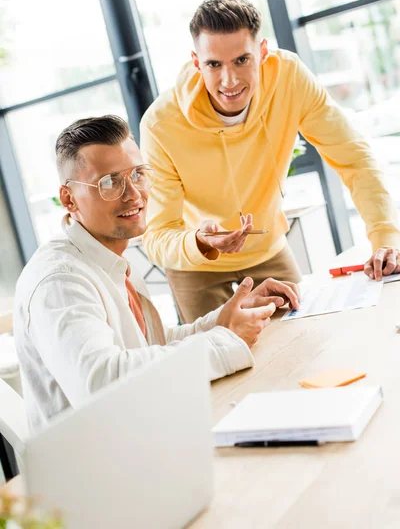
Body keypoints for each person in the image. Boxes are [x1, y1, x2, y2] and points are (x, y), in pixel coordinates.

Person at [13, 115, 299, 433]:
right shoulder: (59, 281)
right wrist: (225, 340)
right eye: (109, 182)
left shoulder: (108, 257)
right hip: (100, 469)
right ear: (68, 199)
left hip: (142, 439)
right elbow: (101, 384)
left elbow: (149, 346)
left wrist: (225, 319)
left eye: (138, 174)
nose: (134, 194)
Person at [140, 0, 400, 323]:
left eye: (241, 60)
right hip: (197, 265)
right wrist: (199, 242)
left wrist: (386, 237)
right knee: (224, 363)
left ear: (262, 52)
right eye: (214, 65)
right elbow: (157, 235)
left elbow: (354, 158)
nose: (229, 80)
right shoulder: (161, 124)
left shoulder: (289, 78)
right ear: (196, 62)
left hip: (269, 249)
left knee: (306, 340)